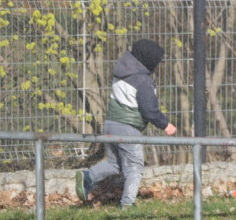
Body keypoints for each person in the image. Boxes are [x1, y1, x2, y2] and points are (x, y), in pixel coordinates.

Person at [75, 39, 177, 209]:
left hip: (110, 124)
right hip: (128, 128)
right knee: (135, 167)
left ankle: (88, 176)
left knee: (115, 163)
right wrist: (165, 124)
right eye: (156, 62)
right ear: (148, 60)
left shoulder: (121, 72)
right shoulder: (143, 80)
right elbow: (149, 110)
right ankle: (128, 204)